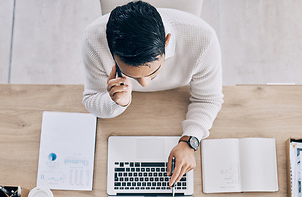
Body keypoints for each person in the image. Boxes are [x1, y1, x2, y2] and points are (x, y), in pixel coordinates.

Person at [82, 1, 223, 187]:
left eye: (152, 73)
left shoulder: (204, 40)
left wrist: (190, 140)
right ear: (112, 53)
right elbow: (90, 99)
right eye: (132, 76)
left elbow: (208, 98)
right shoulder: (93, 40)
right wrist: (115, 102)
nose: (145, 84)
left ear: (166, 41)